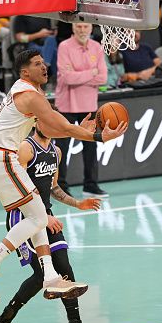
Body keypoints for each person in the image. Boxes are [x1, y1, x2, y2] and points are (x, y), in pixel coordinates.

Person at [0, 49, 126, 303]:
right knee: (39, 215)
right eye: (38, 64)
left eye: (44, 63)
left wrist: (78, 131)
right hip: (1, 156)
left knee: (36, 215)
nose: (45, 67)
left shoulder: (28, 92)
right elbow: (62, 125)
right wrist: (98, 136)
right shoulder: (30, 95)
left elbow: (52, 128)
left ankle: (50, 276)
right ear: (24, 71)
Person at [0, 126, 105, 323]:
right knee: (43, 274)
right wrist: (43, 215)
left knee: (65, 272)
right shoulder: (25, 149)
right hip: (23, 218)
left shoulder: (55, 151)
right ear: (37, 122)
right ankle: (2, 321)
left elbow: (53, 188)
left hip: (45, 217)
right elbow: (16, 190)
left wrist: (76, 203)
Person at [54, 23, 108, 198]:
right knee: (62, 148)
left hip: (89, 105)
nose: (82, 30)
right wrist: (91, 73)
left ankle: (91, 185)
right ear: (73, 28)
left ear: (91, 28)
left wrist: (81, 75)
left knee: (91, 147)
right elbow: (68, 78)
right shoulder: (64, 47)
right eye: (79, 26)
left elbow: (103, 77)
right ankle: (60, 185)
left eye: (85, 26)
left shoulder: (97, 47)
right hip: (66, 105)